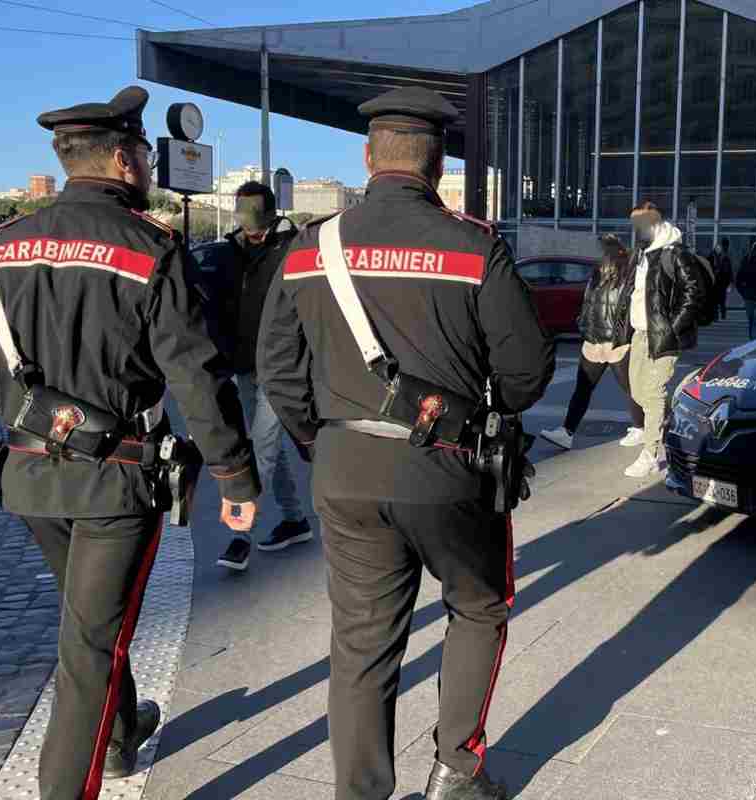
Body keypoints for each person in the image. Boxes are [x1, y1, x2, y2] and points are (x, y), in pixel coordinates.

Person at [0, 86, 260, 800]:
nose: (148, 163)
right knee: (90, 646)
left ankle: (120, 734)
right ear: (124, 159)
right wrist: (236, 477)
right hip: (117, 484)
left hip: (27, 481)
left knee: (88, 621)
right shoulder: (150, 249)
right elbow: (194, 371)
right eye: (146, 152)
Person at [257, 86, 554, 800]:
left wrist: (317, 438)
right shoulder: (474, 244)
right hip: (450, 469)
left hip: (344, 464)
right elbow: (526, 373)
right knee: (478, 608)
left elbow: (276, 366)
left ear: (367, 157)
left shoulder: (308, 247)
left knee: (361, 643)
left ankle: (360, 792)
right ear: (438, 160)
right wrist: (489, 408)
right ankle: (457, 767)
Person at [195, 181, 310, 572]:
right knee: (268, 446)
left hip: (282, 369)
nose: (250, 231)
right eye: (245, 223)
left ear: (272, 215)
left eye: (256, 224)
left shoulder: (292, 249)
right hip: (245, 365)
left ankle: (240, 535)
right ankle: (295, 519)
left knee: (260, 446)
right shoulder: (232, 251)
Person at [539, 234, 644, 451]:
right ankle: (566, 432)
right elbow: (588, 303)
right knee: (583, 388)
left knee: (633, 389)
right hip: (594, 342)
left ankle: (643, 429)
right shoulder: (597, 275)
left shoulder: (628, 274)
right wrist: (583, 325)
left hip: (617, 344)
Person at [624, 201, 705, 478]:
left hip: (663, 336)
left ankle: (650, 453)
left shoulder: (675, 253)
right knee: (637, 392)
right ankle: (671, 425)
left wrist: (671, 328)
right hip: (639, 333)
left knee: (655, 391)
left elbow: (693, 294)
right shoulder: (642, 253)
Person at [711, 237, 733, 321]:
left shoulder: (715, 255)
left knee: (716, 299)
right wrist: (730, 281)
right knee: (722, 299)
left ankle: (717, 316)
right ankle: (722, 315)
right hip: (722, 281)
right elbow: (729, 270)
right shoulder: (725, 256)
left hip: (716, 280)